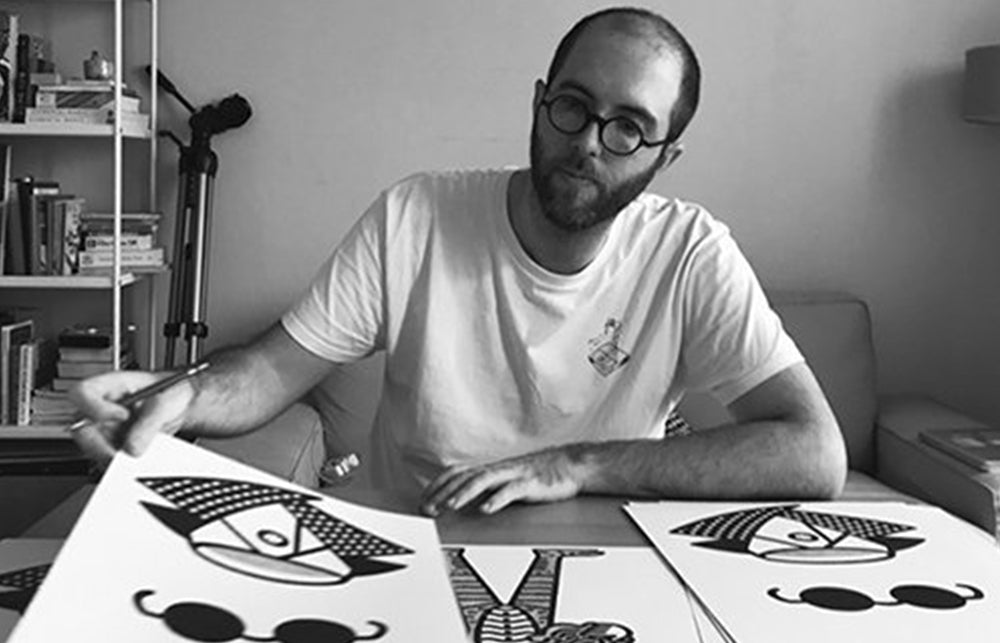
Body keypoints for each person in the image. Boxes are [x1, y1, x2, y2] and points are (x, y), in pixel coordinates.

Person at [71, 6, 847, 516]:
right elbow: (275, 368)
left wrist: (578, 464)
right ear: (539, 101)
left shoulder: (691, 251)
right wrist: (181, 394)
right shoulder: (416, 215)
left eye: (628, 128)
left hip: (608, 562)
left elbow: (815, 451)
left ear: (664, 157)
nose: (587, 143)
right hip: (416, 547)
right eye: (573, 106)